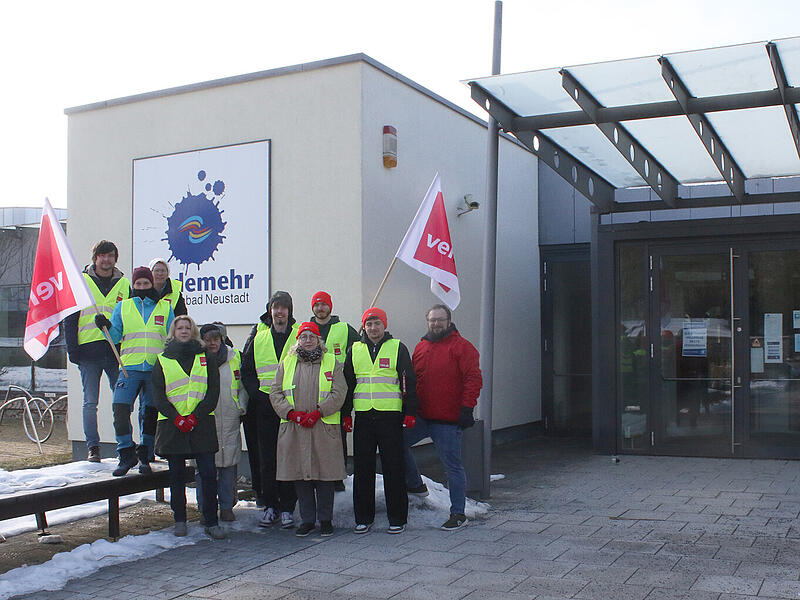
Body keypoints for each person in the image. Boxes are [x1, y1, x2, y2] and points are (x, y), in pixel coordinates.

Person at [404, 304, 482, 530]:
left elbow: (473, 379)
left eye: (440, 319)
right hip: (421, 417)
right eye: (432, 320)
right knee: (396, 441)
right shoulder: (421, 347)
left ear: (449, 321)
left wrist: (467, 408)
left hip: (447, 420)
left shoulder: (462, 347)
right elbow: (413, 380)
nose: (436, 323)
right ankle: (416, 484)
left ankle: (458, 513)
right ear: (427, 322)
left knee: (452, 467)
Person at [343, 307, 417, 534]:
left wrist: (410, 411)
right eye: (369, 324)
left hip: (390, 417)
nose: (373, 328)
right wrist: (346, 413)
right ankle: (364, 517)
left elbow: (408, 382)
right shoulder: (354, 349)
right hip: (364, 416)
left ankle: (397, 518)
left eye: (377, 323)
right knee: (363, 468)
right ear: (364, 327)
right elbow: (348, 384)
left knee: (393, 467)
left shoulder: (397, 348)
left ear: (384, 325)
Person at [152, 315, 225, 540]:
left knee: (208, 474)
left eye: (187, 327)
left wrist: (195, 416)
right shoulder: (162, 359)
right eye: (179, 327)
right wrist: (177, 417)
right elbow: (158, 395)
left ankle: (211, 521)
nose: (183, 331)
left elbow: (213, 391)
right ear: (173, 332)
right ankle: (180, 520)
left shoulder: (206, 358)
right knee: (176, 476)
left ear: (193, 331)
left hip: (201, 424)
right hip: (173, 426)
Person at [95, 266, 174, 476]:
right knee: (120, 408)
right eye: (138, 284)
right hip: (129, 367)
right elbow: (115, 335)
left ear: (151, 284)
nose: (141, 287)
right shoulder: (123, 307)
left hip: (155, 369)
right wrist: (104, 326)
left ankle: (145, 455)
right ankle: (125, 452)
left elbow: (172, 338)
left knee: (150, 413)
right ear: (133, 285)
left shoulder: (164, 308)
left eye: (145, 283)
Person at [270, 322, 346, 537]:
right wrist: (291, 413)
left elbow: (339, 392)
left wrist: (319, 412)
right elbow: (275, 393)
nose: (308, 340)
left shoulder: (332, 362)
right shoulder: (287, 362)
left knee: (324, 476)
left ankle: (326, 520)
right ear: (298, 340)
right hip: (296, 427)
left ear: (319, 340)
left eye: (312, 336)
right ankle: (307, 520)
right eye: (303, 337)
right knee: (300, 476)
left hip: (322, 426)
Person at [65, 240, 129, 462]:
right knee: (90, 402)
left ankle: (125, 444)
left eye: (110, 255)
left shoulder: (124, 284)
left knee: (121, 400)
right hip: (88, 352)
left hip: (114, 351)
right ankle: (93, 447)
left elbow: (128, 320)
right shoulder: (81, 282)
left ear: (115, 259)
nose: (106, 259)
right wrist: (72, 349)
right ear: (95, 258)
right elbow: (71, 316)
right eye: (102, 255)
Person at [241, 290, 300, 528]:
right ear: (270, 310)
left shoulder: (299, 336)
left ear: (289, 311)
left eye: (284, 307)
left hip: (291, 407)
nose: (279, 312)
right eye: (275, 307)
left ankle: (288, 508)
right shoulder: (259, 338)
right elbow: (247, 372)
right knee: (267, 459)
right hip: (265, 407)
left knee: (289, 458)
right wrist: (257, 394)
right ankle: (270, 506)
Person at [196, 323, 247, 522]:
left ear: (222, 339)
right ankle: (205, 508)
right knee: (204, 467)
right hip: (204, 420)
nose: (212, 343)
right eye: (207, 339)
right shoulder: (196, 359)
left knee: (228, 464)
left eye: (216, 339)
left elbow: (243, 386)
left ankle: (227, 506)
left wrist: (240, 406)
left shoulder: (235, 358)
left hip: (229, 417)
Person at [309, 291, 359, 491]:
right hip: (312, 392)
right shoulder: (306, 330)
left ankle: (338, 476)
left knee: (336, 436)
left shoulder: (345, 329)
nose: (320, 308)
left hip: (338, 393)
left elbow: (360, 351)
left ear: (330, 306)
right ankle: (314, 475)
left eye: (323, 304)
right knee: (313, 437)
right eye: (317, 305)